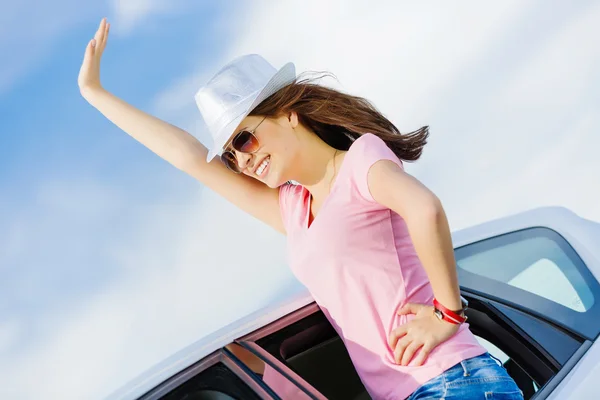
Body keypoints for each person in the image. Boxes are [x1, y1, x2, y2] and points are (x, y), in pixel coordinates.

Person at [78, 18, 524, 400]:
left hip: (452, 380)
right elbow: (193, 159)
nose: (243, 160)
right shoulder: (292, 209)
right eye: (233, 155)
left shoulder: (360, 161)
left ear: (288, 113)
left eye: (245, 139)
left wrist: (448, 314)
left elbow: (425, 209)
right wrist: (95, 94)